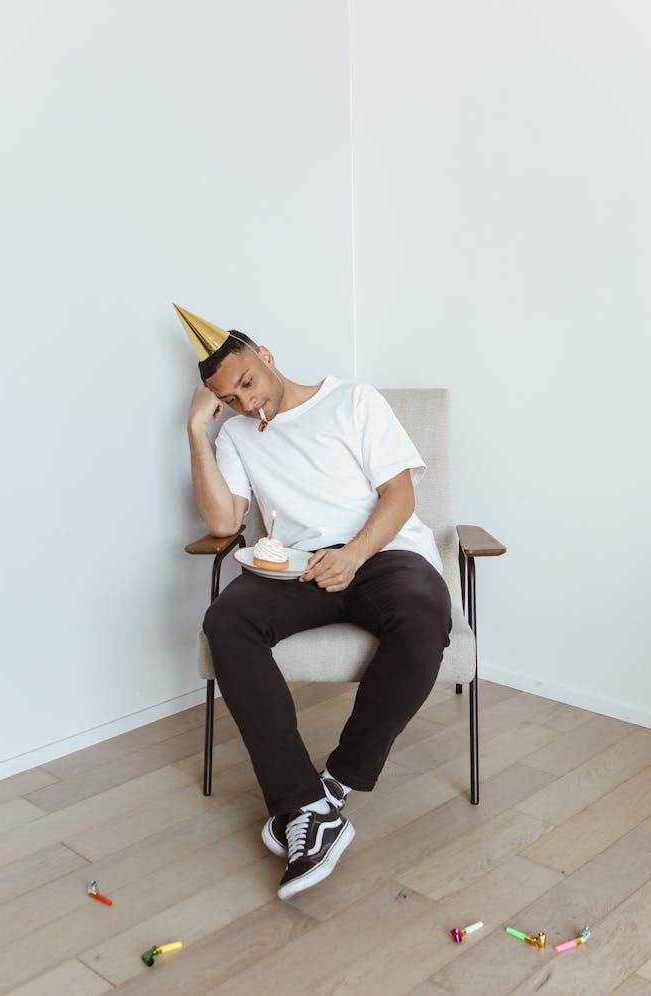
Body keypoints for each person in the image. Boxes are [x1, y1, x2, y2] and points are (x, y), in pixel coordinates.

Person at [177, 304, 452, 901]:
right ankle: (303, 804)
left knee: (425, 612)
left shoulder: (353, 400)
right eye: (231, 397)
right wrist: (198, 430)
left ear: (266, 357)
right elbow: (224, 519)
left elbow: (399, 495)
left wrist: (352, 555)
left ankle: (334, 787)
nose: (249, 403)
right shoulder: (235, 434)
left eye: (247, 382)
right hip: (293, 565)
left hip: (379, 553)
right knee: (226, 620)